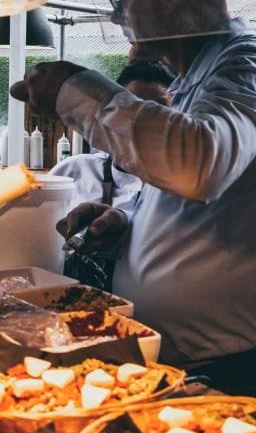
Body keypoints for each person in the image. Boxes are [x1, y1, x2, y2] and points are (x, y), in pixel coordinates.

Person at [10, 0, 256, 399]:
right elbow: (199, 196)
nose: (119, 15)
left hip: (243, 376)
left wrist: (74, 89)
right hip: (194, 367)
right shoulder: (197, 81)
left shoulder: (251, 63)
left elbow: (198, 163)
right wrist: (128, 226)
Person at [49, 60, 175, 289]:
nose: (143, 122)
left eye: (157, 110)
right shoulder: (72, 171)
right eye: (132, 109)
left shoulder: (183, 192)